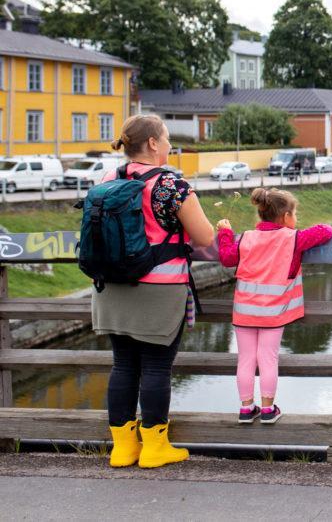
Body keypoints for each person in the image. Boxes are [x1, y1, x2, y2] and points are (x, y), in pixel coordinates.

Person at [92, 114, 215, 468]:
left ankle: (123, 448)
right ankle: (155, 448)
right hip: (160, 291)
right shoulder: (172, 186)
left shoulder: (105, 179)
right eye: (166, 138)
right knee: (157, 368)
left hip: (111, 289)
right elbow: (205, 238)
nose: (170, 145)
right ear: (152, 144)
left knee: (123, 366)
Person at [217, 188, 332, 425]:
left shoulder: (247, 237)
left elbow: (227, 258)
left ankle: (246, 409)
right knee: (268, 358)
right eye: (294, 214)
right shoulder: (293, 239)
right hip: (273, 313)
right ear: (286, 216)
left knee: (246, 359)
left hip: (244, 310)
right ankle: (269, 410)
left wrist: (225, 233)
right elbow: (326, 231)